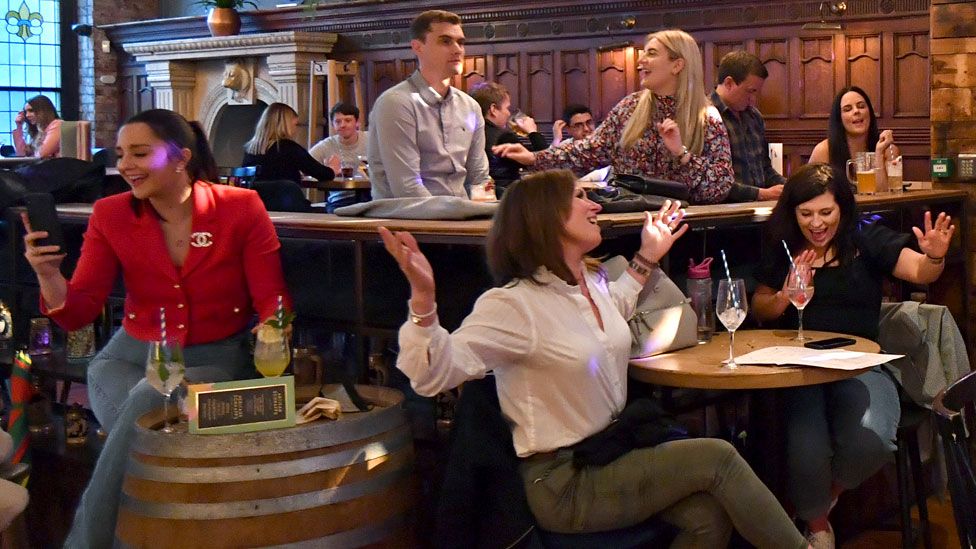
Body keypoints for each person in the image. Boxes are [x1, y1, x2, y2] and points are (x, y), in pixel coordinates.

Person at [380, 169, 809, 547]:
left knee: (707, 518)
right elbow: (434, 374)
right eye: (580, 197)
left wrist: (647, 256)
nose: (593, 204)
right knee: (718, 456)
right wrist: (423, 301)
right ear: (546, 219)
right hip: (563, 481)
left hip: (609, 454)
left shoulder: (589, 282)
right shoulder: (513, 305)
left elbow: (615, 308)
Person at [21, 109, 292, 548]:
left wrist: (273, 333)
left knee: (151, 402)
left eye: (140, 153)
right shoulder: (110, 214)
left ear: (181, 157)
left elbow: (272, 298)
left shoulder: (240, 207)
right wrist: (49, 275)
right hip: (126, 357)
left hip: (218, 362)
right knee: (151, 436)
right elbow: (78, 313)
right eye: (121, 154)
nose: (125, 165)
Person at [751, 163, 953, 548]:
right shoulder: (783, 243)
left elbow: (918, 270)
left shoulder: (864, 238)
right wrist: (785, 293)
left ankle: (819, 503)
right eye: (806, 214)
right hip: (800, 364)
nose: (816, 224)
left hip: (860, 362)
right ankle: (818, 529)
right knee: (806, 444)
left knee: (872, 440)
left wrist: (934, 258)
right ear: (793, 213)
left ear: (842, 208)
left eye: (826, 212)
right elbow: (760, 308)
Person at [494, 30, 734, 205]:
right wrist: (534, 158)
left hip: (686, 232)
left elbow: (720, 187)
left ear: (677, 65)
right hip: (629, 226)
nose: (640, 61)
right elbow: (587, 152)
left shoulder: (706, 116)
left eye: (651, 54)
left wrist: (681, 154)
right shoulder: (630, 107)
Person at [367, 9, 490, 199]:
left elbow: (479, 179)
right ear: (418, 47)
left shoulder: (470, 107)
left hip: (460, 217)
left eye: (461, 42)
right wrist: (458, 218)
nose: (458, 49)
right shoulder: (396, 103)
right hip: (409, 221)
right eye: (446, 41)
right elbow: (407, 189)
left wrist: (484, 216)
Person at [711, 51, 785, 202]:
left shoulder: (753, 116)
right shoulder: (705, 116)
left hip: (757, 209)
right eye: (750, 91)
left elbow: (765, 168)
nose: (753, 99)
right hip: (724, 213)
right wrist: (762, 194)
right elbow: (712, 182)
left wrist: (792, 186)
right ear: (729, 83)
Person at [808, 86, 899, 185]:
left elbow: (885, 196)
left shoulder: (888, 150)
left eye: (861, 106)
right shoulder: (824, 150)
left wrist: (878, 154)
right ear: (839, 118)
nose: (856, 111)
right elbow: (808, 193)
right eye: (847, 109)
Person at [469, 81, 548, 194]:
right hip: (504, 197)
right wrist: (532, 132)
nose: (508, 113)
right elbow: (544, 161)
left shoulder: (469, 133)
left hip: (474, 194)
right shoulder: (503, 138)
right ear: (493, 109)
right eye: (507, 108)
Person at [242, 102, 335, 185]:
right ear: (286, 125)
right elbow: (323, 175)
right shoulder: (289, 148)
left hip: (258, 203)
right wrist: (332, 168)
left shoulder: (250, 149)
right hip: (288, 203)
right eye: (295, 125)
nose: (296, 130)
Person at [309, 102, 369, 210]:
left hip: (370, 198)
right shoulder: (326, 145)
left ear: (357, 122)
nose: (342, 125)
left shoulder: (371, 139)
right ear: (332, 125)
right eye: (338, 121)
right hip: (340, 200)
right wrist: (327, 170)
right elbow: (305, 165)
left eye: (348, 120)